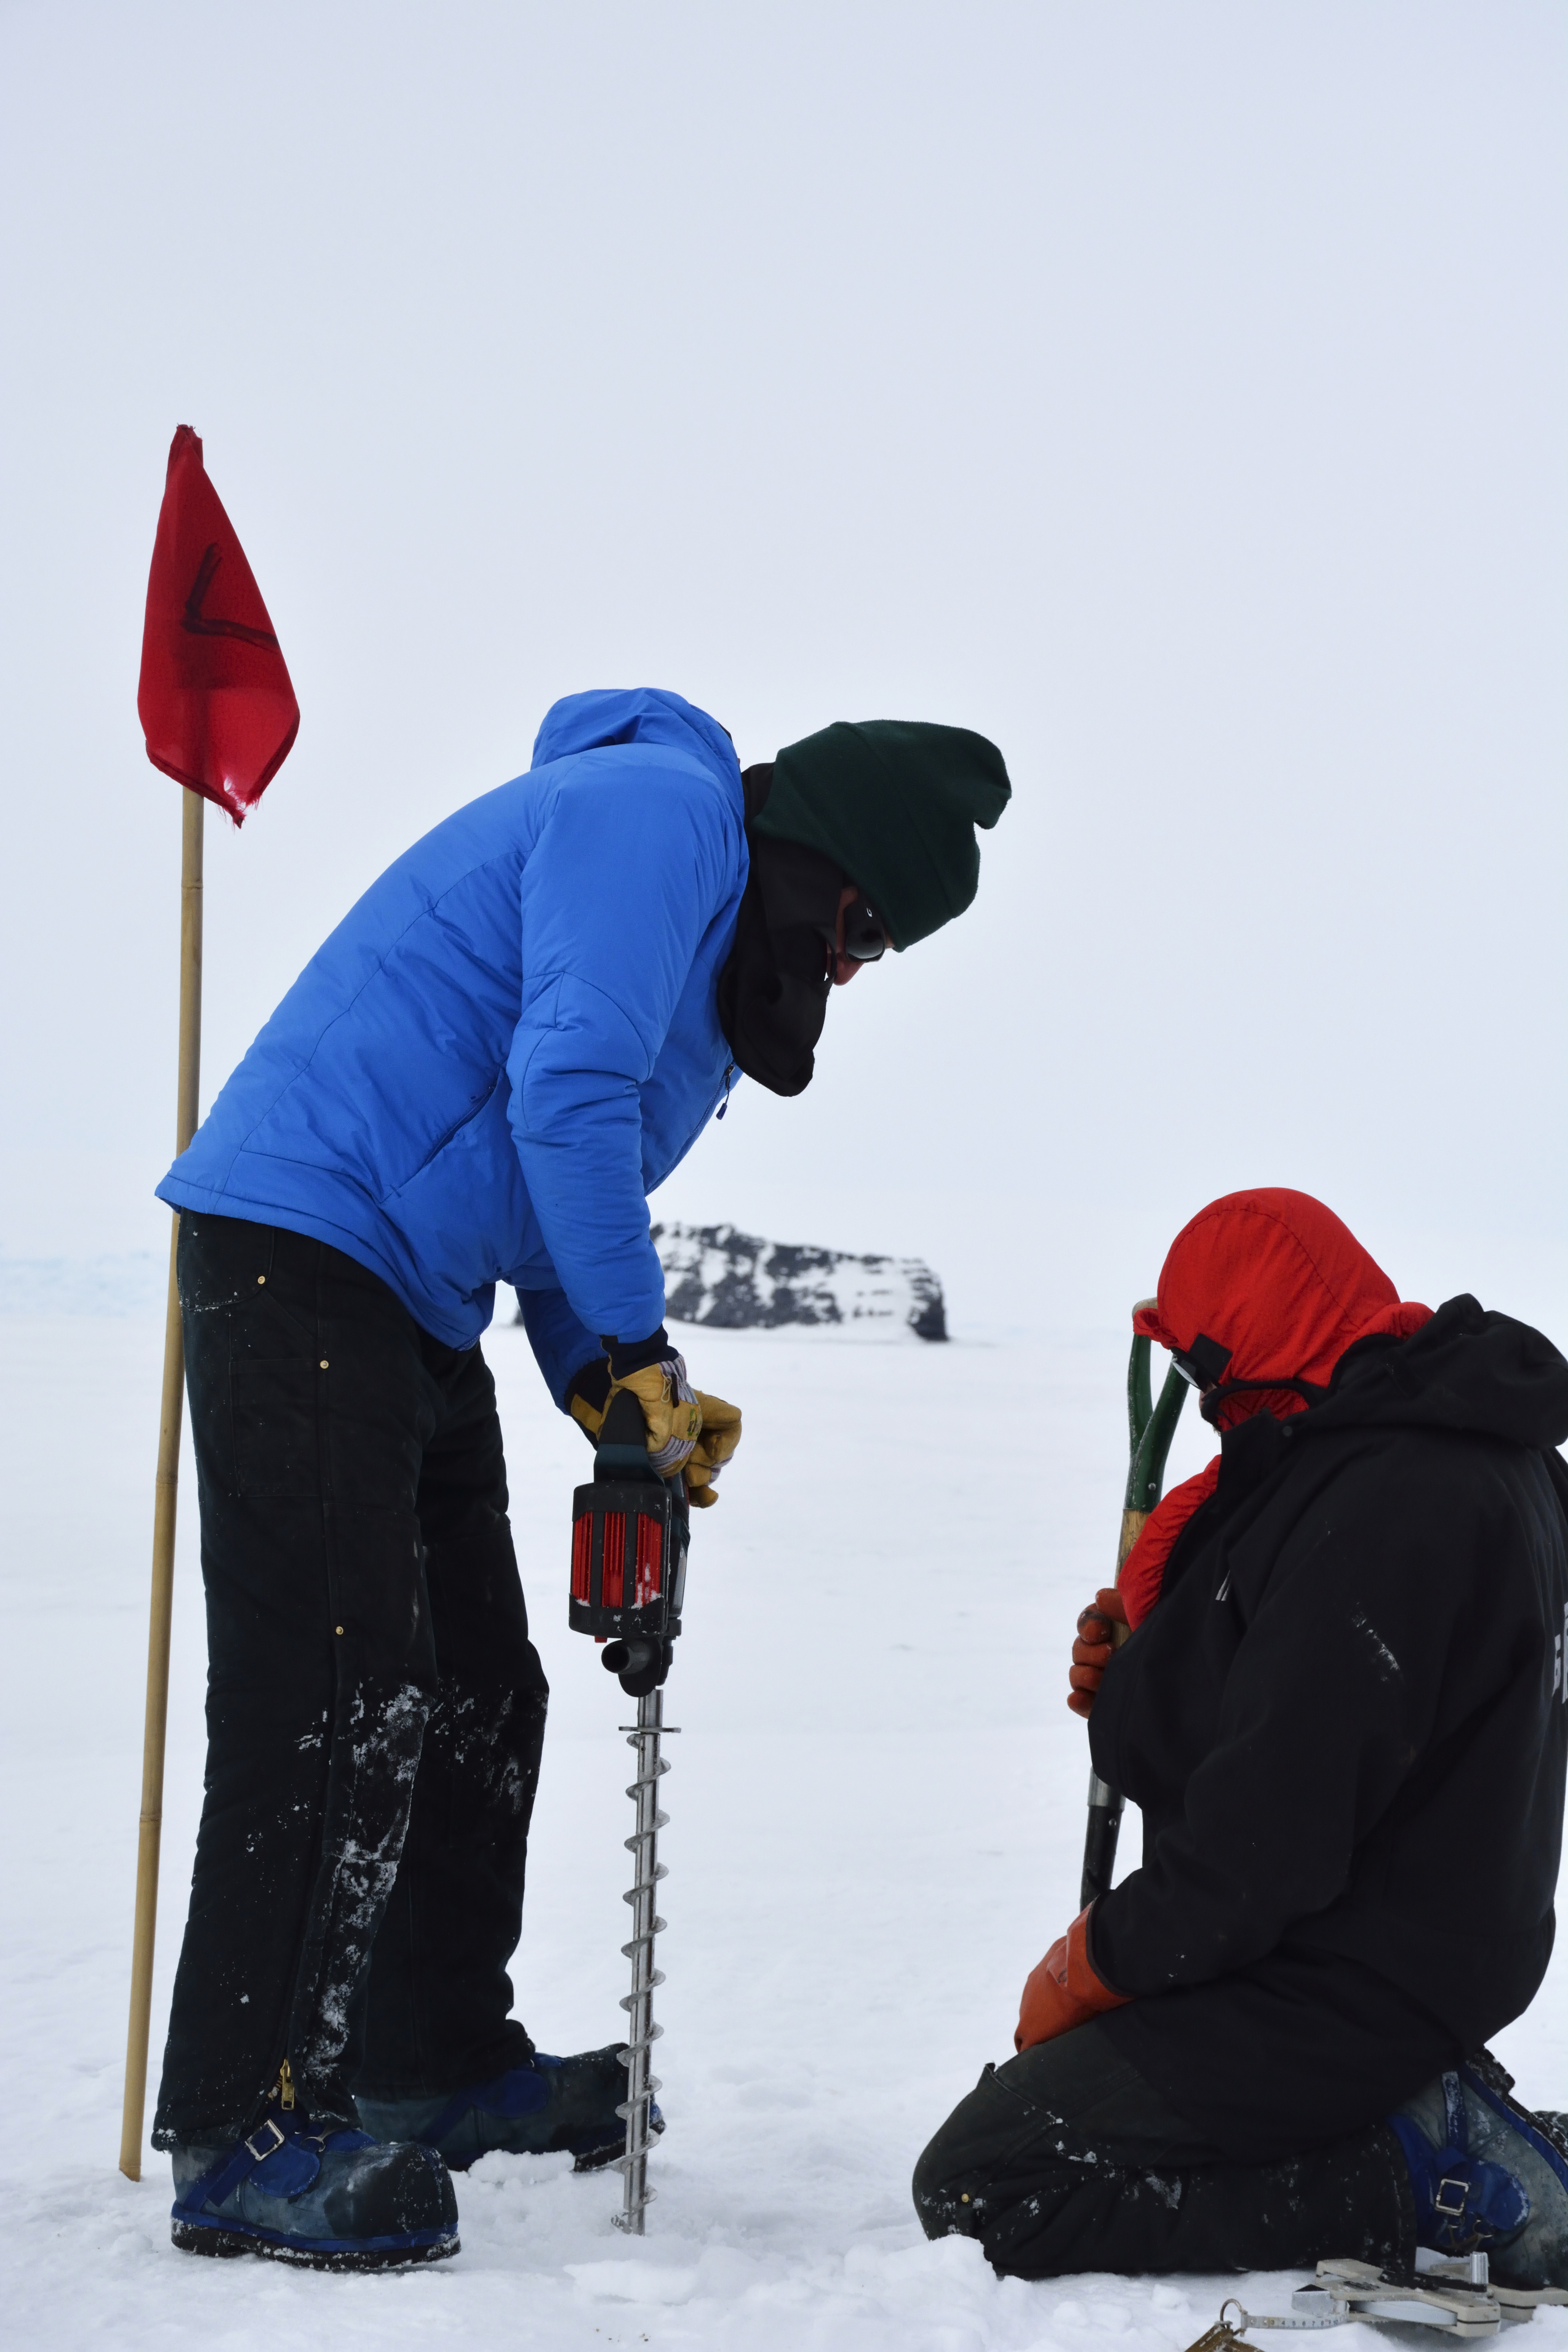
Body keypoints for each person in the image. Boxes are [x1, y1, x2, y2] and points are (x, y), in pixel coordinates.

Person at [152, 686, 1010, 2269]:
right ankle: (244, 2121)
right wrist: (635, 1346)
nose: (844, 969)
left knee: (484, 1681)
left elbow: (557, 1202)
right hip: (300, 1243)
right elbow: (562, 1100)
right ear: (822, 859)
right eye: (858, 929)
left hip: (410, 1292)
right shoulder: (659, 822)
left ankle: (427, 2061)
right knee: (333, 1690)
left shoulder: (694, 965)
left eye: (871, 957)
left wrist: (618, 1391)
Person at [914, 1187, 1568, 2294]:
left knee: (991, 2181)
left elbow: (1267, 1839)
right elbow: (1335, 1715)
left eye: (1208, 1372)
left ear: (1251, 1336)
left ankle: (1435, 2174)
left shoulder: (1390, 1498)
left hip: (1332, 1979)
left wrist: (1094, 1968)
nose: (1209, 1405)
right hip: (1402, 1952)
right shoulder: (1441, 1453)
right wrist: (1154, 1668)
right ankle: (1422, 2111)